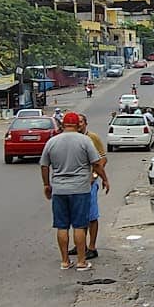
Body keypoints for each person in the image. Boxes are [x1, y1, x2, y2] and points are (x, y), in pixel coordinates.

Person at [38, 110, 101, 271]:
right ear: (76, 124)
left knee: (62, 226)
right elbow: (96, 163)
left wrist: (46, 185)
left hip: (59, 190)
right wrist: (105, 179)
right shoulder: (85, 141)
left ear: (63, 124)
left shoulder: (52, 141)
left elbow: (44, 165)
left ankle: (65, 261)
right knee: (79, 226)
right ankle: (81, 261)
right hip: (80, 189)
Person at [74, 114, 112, 258]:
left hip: (89, 183)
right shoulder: (72, 139)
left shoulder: (92, 138)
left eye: (81, 122)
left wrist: (96, 175)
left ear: (86, 124)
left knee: (91, 216)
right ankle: (79, 244)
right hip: (76, 184)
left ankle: (92, 246)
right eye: (76, 122)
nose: (78, 124)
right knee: (78, 215)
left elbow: (102, 158)